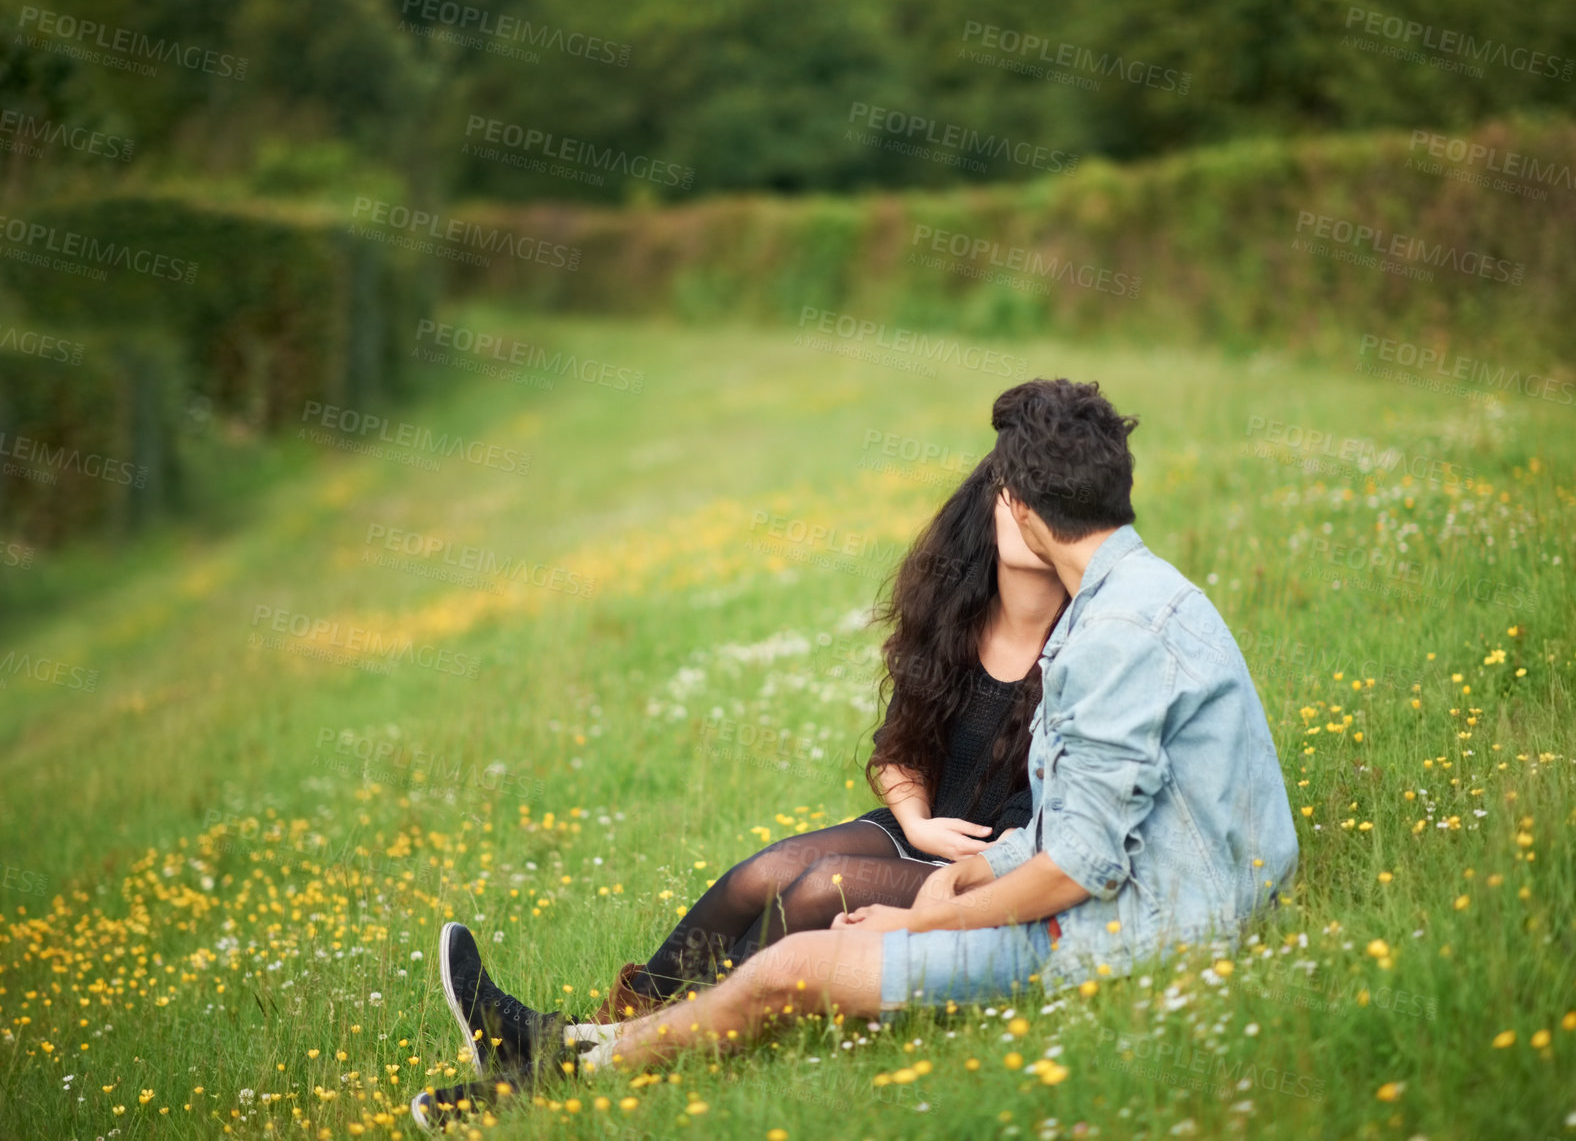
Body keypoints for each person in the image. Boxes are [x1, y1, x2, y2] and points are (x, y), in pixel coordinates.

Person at [411, 379, 1300, 1133]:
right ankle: (567, 1059)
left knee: (795, 963)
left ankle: (563, 1069)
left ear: (1022, 510)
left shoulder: (1112, 630)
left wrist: (916, 919)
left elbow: (1082, 864)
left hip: (1138, 931)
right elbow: (1076, 826)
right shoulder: (1135, 596)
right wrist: (975, 868)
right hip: (1124, 887)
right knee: (780, 895)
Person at [417, 454, 1068, 1114]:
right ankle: (611, 1023)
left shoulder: (1085, 642)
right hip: (926, 828)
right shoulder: (957, 617)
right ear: (985, 510)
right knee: (766, 871)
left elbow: (1050, 837)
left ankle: (582, 1056)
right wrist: (919, 819)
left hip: (994, 870)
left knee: (820, 885)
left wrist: (939, 883)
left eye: (1046, 498)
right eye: (1012, 494)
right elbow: (896, 749)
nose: (1025, 512)